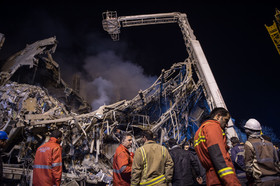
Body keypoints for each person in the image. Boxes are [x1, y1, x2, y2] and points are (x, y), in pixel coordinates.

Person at [194, 107, 241, 186]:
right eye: (226, 120)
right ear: (218, 116)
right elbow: (219, 158)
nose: (226, 125)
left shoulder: (199, 131)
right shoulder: (213, 127)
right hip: (222, 179)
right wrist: (232, 183)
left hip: (211, 179)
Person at [244, 118, 280, 185]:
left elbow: (248, 167)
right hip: (277, 180)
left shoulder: (249, 144)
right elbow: (277, 162)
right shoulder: (270, 144)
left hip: (262, 182)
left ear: (247, 131)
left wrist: (250, 180)